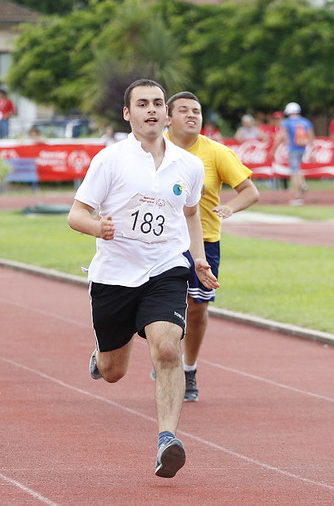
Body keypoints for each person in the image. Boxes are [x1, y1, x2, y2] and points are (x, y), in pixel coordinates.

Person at [67, 78, 218, 479]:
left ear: (167, 114)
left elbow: (190, 214)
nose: (151, 109)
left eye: (157, 103)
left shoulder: (188, 165)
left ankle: (167, 440)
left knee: (168, 348)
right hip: (115, 275)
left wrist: (198, 259)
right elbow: (76, 214)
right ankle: (102, 357)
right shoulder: (110, 159)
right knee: (114, 371)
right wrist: (98, 228)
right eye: (142, 104)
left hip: (165, 268)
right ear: (127, 113)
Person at [160, 91, 260, 402]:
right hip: (158, 240)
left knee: (197, 307)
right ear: (168, 117)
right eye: (184, 110)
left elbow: (250, 191)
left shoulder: (216, 153)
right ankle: (164, 357)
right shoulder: (152, 147)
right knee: (151, 305)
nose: (192, 115)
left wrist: (231, 207)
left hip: (203, 242)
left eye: (197, 111)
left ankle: (188, 369)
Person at [275, 102, 314, 206]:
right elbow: (311, 136)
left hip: (293, 148)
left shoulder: (287, 122)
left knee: (294, 172)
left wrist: (273, 149)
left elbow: (281, 135)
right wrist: (312, 150)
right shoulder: (305, 121)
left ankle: (298, 196)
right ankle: (303, 185)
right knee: (298, 169)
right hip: (303, 149)